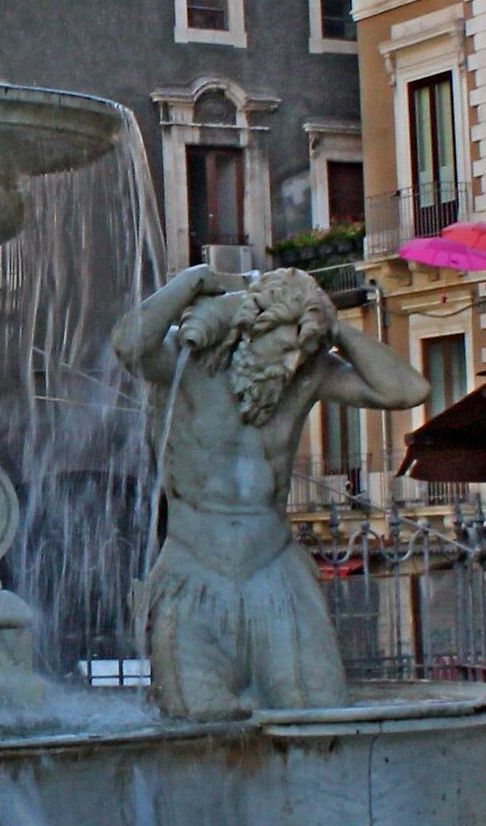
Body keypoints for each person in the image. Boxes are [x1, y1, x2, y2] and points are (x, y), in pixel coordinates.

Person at [113, 266, 429, 719]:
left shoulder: (305, 375)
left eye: (300, 355)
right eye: (282, 350)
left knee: (318, 715)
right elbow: (128, 344)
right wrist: (195, 280)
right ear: (249, 331)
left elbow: (407, 390)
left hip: (275, 575)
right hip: (194, 573)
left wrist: (334, 326)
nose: (288, 366)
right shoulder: (187, 369)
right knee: (199, 732)